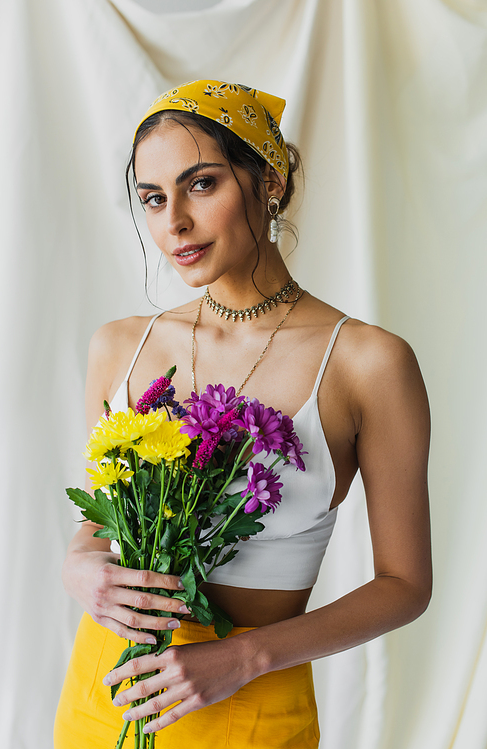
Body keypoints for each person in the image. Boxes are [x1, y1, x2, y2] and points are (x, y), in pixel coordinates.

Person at [55, 80, 432, 748]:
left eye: (201, 184)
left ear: (272, 181)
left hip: (251, 704)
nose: (173, 221)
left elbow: (405, 584)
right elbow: (101, 516)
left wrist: (244, 656)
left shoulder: (369, 362)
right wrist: (80, 563)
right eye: (152, 197)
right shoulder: (119, 344)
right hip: (105, 693)